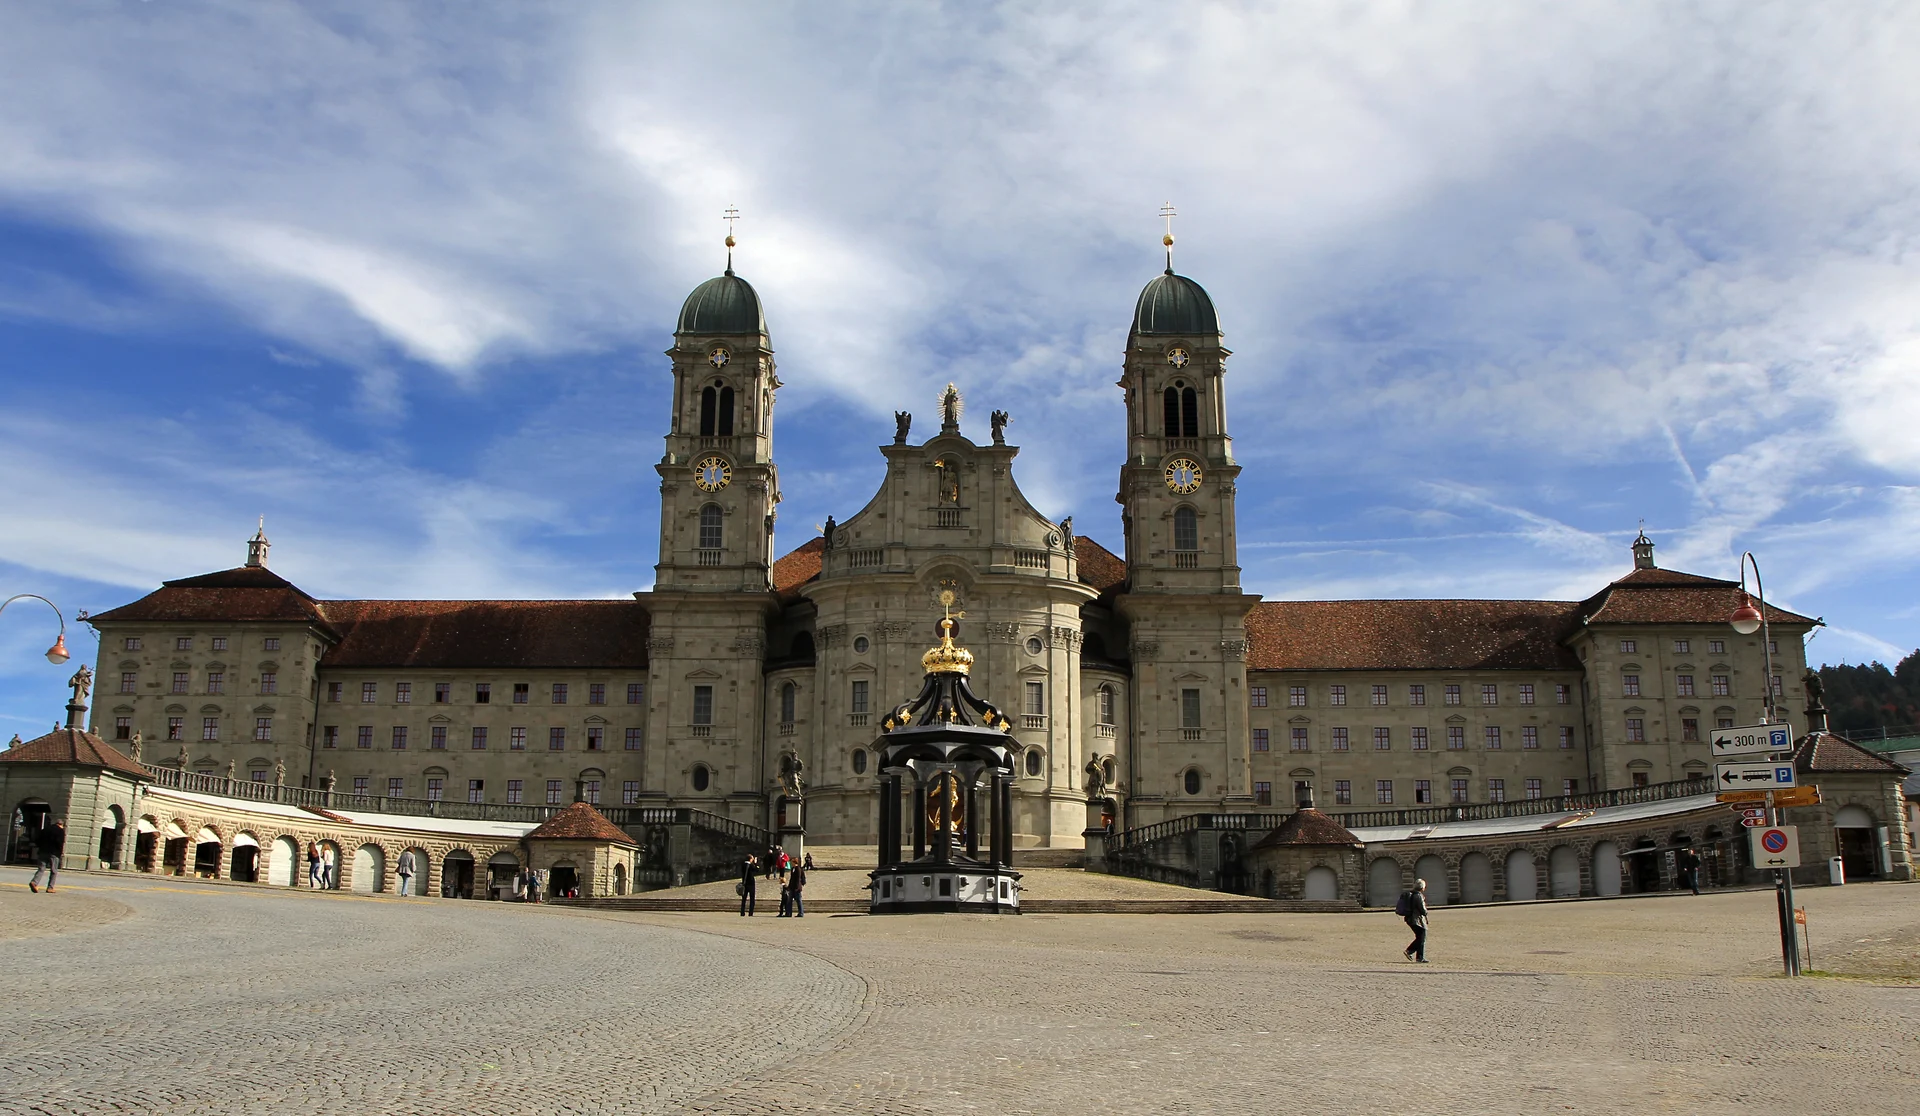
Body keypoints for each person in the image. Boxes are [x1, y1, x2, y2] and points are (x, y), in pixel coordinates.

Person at [28, 817, 66, 894]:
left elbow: (37, 840)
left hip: (43, 852)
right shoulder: (60, 831)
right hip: (54, 853)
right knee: (54, 871)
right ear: (61, 825)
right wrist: (60, 852)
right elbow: (60, 843)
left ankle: (34, 882)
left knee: (41, 869)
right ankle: (50, 888)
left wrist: (41, 847)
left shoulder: (45, 830)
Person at [1400, 878, 1430, 963]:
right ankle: (1410, 951)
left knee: (1420, 937)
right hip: (1417, 919)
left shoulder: (1411, 894)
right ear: (1422, 888)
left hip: (1410, 919)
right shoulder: (1419, 896)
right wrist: (1426, 913)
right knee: (1422, 937)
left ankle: (1419, 957)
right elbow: (1422, 910)